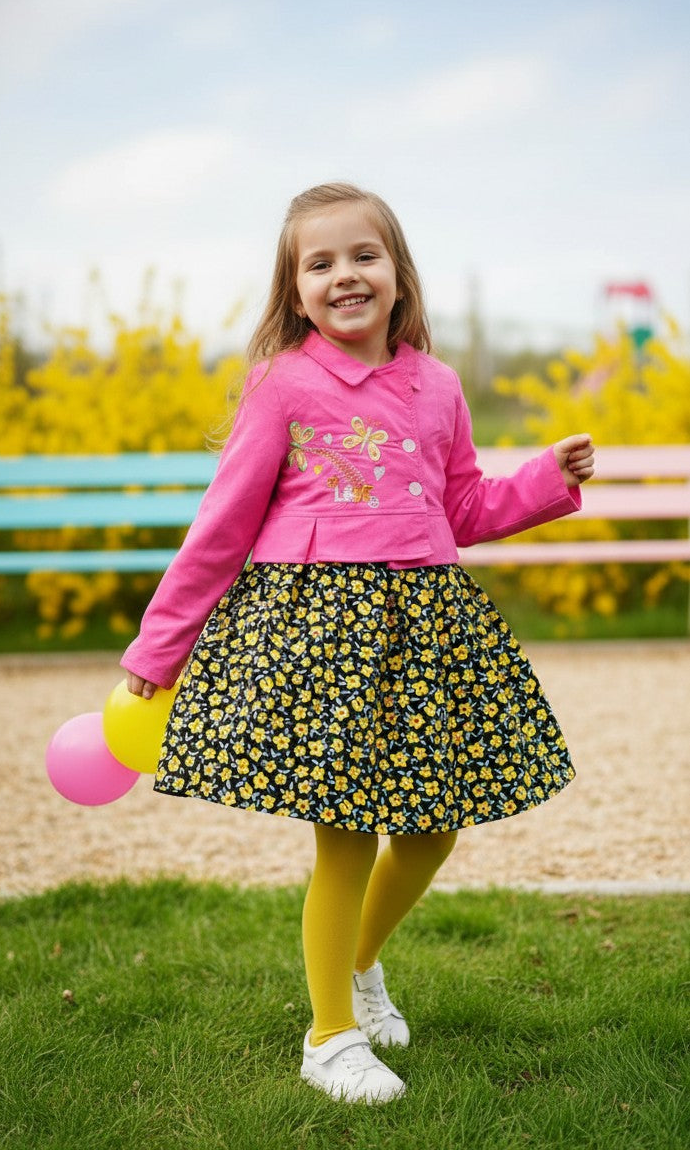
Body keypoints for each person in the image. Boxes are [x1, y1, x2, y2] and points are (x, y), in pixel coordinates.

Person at [121, 181, 595, 1104]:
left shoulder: (438, 384)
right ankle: (328, 1036)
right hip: (319, 639)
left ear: (397, 273)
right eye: (319, 263)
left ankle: (359, 967)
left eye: (362, 256)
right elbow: (220, 529)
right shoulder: (282, 384)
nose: (344, 275)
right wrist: (155, 651)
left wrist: (542, 478)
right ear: (293, 290)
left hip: (424, 632)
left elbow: (459, 507)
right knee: (342, 838)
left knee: (432, 826)